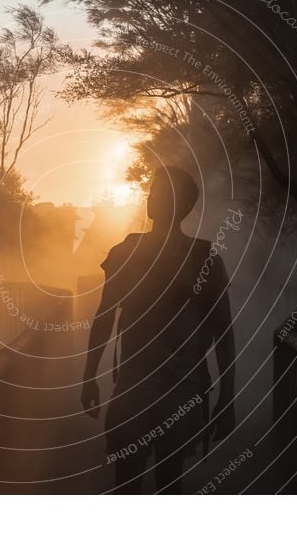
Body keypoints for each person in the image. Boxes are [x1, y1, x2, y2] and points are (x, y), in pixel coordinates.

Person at [81, 166, 236, 494]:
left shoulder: (132, 254)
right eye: (152, 192)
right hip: (162, 391)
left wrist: (90, 376)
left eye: (161, 194)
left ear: (181, 205)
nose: (152, 199)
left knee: (138, 482)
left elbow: (224, 332)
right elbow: (105, 317)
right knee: (161, 482)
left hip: (150, 391)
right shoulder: (199, 258)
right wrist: (88, 375)